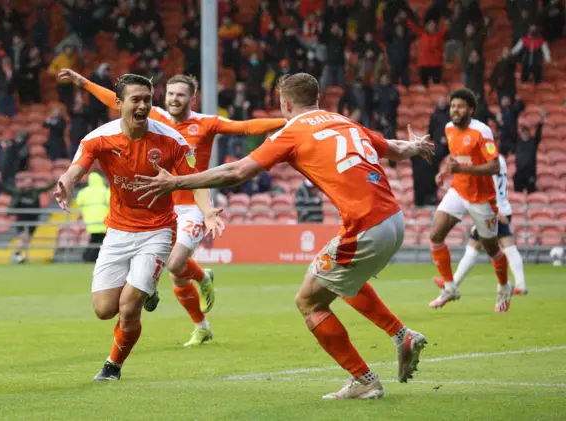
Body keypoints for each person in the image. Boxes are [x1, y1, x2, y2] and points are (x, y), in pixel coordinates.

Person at [134, 73, 433, 400]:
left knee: (308, 301)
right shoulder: (342, 120)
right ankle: (400, 335)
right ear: (316, 97)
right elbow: (394, 149)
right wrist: (417, 146)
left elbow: (237, 172)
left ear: (285, 103)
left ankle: (364, 380)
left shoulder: (293, 131)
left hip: (365, 225)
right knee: (337, 279)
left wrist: (176, 182)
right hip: (395, 219)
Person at [58, 68, 286, 347]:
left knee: (175, 264)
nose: (175, 99)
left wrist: (289, 120)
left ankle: (193, 280)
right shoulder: (152, 117)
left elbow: (248, 127)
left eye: (181, 95)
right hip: (161, 202)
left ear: (192, 99)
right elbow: (114, 99)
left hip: (191, 204)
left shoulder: (206, 123)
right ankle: (200, 324)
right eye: (171, 94)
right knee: (168, 273)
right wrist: (83, 82)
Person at [52, 74, 224, 381]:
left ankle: (112, 366)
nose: (143, 105)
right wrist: (66, 182)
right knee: (105, 309)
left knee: (129, 308)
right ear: (119, 104)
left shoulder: (172, 140)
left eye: (148, 99)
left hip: (158, 230)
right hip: (118, 231)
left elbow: (196, 180)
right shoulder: (99, 138)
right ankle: (145, 289)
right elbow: (78, 166)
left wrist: (208, 212)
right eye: (136, 99)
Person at [429, 88, 511, 312]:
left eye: (460, 106)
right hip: (458, 190)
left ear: (470, 110)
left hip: (482, 198)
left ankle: (504, 286)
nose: (455, 110)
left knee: (491, 248)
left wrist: (464, 168)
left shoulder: (482, 131)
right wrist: (445, 172)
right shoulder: (448, 129)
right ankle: (450, 286)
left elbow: (494, 165)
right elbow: (455, 158)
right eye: (453, 106)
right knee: (435, 234)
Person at [433, 154, 528, 295]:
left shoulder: (490, 162)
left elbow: (491, 185)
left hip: (494, 209)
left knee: (476, 248)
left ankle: (453, 283)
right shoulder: (499, 159)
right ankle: (521, 285)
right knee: (505, 245)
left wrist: (496, 210)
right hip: (500, 208)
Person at [0, 176, 56, 264]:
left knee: (26, 239)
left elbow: (46, 188)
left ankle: (20, 256)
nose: (28, 184)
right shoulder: (18, 192)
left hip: (33, 219)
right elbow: (6, 189)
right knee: (24, 238)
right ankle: (15, 255)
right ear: (23, 183)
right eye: (27, 182)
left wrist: (55, 181)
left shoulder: (35, 192)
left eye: (30, 182)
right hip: (21, 219)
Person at [76, 171, 110, 262]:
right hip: (103, 222)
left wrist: (85, 213)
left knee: (95, 241)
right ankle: (88, 258)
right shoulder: (104, 191)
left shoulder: (83, 192)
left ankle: (88, 258)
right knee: (99, 242)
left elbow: (79, 203)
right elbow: (111, 202)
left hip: (90, 222)